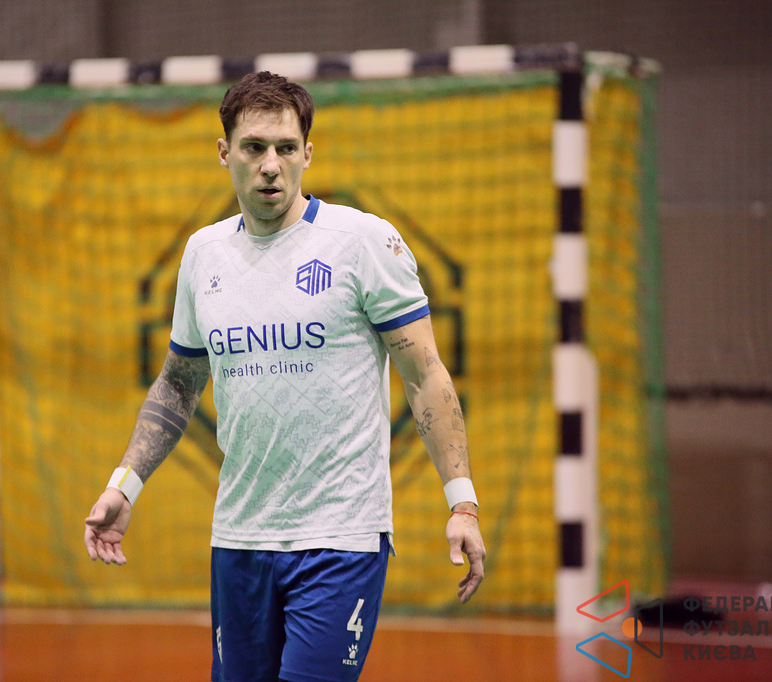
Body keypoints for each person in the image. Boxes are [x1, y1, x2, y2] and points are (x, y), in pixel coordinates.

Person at [84, 70, 486, 682]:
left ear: (307, 153)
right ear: (225, 154)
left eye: (285, 148)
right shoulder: (203, 255)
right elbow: (178, 384)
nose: (270, 165)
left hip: (339, 537)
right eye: (253, 147)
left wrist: (463, 505)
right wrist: (125, 484)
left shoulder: (362, 242)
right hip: (239, 537)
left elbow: (425, 375)